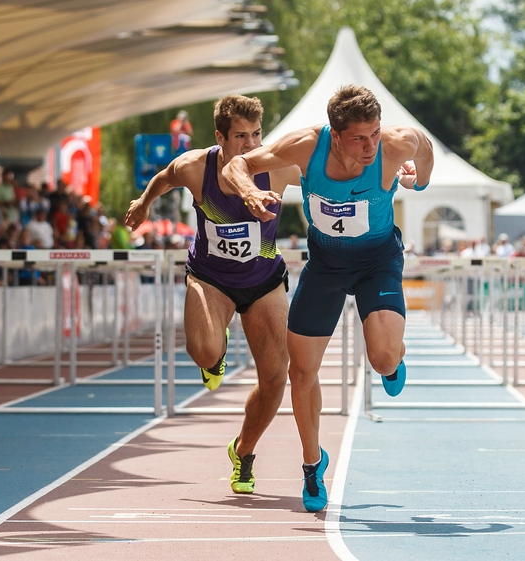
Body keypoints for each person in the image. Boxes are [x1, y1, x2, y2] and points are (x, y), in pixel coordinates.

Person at [222, 83, 434, 512]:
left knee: (383, 359)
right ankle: (312, 463)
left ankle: (394, 355)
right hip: (325, 266)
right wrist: (249, 191)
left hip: (378, 261)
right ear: (335, 135)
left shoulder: (394, 145)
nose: (370, 145)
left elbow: (425, 146)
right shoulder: (306, 146)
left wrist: (420, 181)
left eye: (374, 133)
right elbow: (237, 164)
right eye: (359, 137)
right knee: (301, 371)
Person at [124, 95, 301, 496]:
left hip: (264, 279)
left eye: (257, 134)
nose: (251, 144)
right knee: (204, 351)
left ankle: (244, 451)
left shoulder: (280, 166)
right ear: (220, 137)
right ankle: (212, 359)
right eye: (241, 136)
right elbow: (165, 176)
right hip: (210, 277)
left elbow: (330, 177)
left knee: (275, 379)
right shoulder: (196, 166)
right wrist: (144, 202)